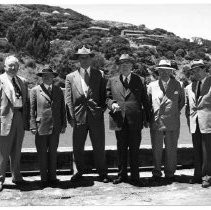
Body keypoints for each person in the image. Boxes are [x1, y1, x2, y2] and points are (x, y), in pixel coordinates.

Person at [65, 46, 109, 183]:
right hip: (78, 117)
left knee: (99, 145)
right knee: (77, 146)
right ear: (78, 59)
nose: (84, 60)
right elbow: (68, 99)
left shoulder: (100, 74)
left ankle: (102, 172)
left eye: (86, 57)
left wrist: (101, 110)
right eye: (81, 57)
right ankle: (78, 171)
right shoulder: (70, 77)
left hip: (96, 116)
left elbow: (104, 95)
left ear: (91, 58)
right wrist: (71, 117)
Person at [106, 54, 151, 186]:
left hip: (135, 121)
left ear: (132, 65)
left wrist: (147, 119)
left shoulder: (140, 80)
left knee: (135, 150)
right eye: (122, 63)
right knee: (121, 149)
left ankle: (135, 177)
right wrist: (111, 104)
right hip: (119, 120)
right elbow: (107, 98)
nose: (125, 66)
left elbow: (145, 101)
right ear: (119, 66)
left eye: (127, 63)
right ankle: (121, 175)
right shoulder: (112, 80)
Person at [148, 59, 185, 183]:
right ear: (157, 71)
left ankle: (170, 173)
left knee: (171, 149)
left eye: (166, 70)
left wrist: (172, 112)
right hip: (156, 121)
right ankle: (156, 172)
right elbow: (148, 103)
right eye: (161, 70)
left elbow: (181, 102)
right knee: (156, 149)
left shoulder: (178, 84)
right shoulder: (151, 85)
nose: (163, 72)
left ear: (171, 71)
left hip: (172, 121)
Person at [30, 66, 66, 187]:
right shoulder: (35, 90)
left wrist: (64, 124)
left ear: (53, 77)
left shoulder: (58, 90)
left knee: (53, 152)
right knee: (41, 153)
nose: (47, 77)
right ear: (41, 77)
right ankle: (44, 179)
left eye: (49, 75)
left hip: (56, 126)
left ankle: (53, 177)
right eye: (44, 75)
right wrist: (33, 126)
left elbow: (62, 109)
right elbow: (32, 110)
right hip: (41, 127)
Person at [0, 55, 30, 191]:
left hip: (19, 117)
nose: (13, 68)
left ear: (19, 67)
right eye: (10, 65)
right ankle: (0, 179)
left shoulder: (23, 81)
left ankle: (16, 176)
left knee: (17, 150)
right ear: (4, 67)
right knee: (2, 151)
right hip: (4, 119)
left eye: (15, 65)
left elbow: (27, 103)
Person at [185, 59, 211, 188]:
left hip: (208, 123)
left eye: (199, 70)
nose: (196, 73)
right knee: (197, 150)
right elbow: (187, 107)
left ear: (205, 69)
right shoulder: (190, 87)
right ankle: (197, 175)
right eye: (194, 71)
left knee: (207, 151)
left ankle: (207, 177)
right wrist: (189, 122)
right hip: (194, 123)